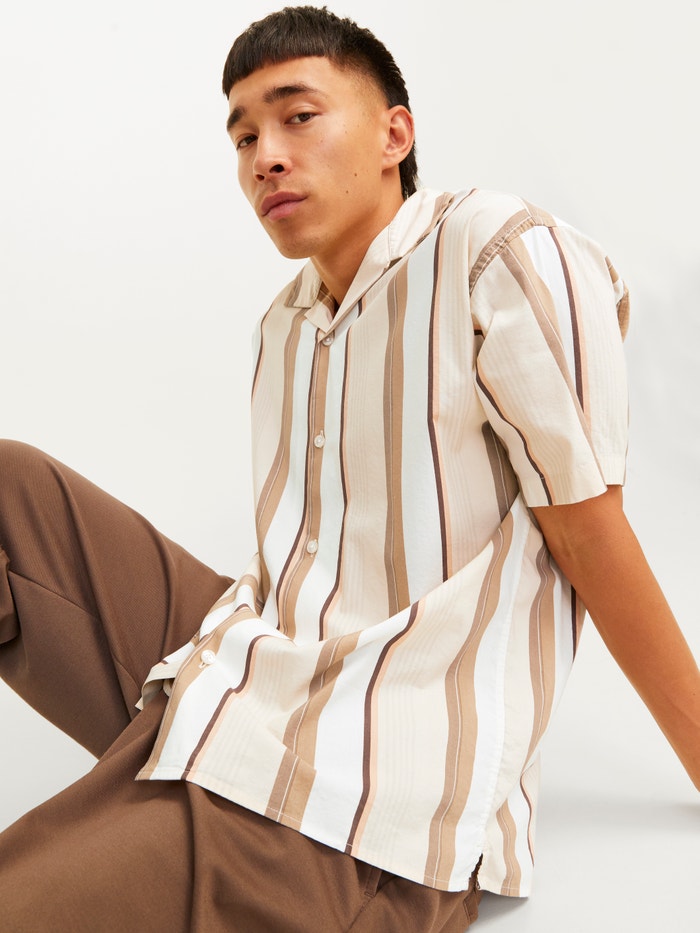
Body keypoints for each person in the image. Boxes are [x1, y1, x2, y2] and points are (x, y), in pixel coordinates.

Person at [0, 6, 698, 932]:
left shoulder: (494, 250)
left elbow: (590, 533)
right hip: (258, 674)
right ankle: (194, 735)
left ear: (393, 135)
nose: (265, 157)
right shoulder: (285, 326)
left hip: (366, 798)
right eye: (244, 136)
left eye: (298, 117)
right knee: (7, 486)